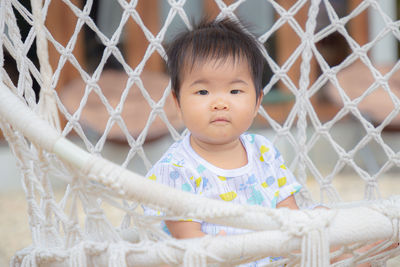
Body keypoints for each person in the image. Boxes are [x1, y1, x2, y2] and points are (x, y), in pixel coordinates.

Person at [143, 17, 301, 265]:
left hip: (276, 259)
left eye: (235, 91)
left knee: (328, 227)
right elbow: (188, 239)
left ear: (257, 101)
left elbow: (290, 215)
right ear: (178, 102)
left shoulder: (263, 152)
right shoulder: (175, 170)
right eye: (203, 92)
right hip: (216, 261)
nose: (220, 103)